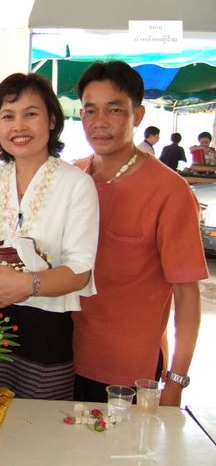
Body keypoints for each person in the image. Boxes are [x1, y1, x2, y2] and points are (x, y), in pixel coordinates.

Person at [0, 73, 99, 400]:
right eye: (7, 116)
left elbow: (80, 270)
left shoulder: (77, 184)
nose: (18, 126)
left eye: (30, 114)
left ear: (52, 120)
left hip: (47, 332)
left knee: (39, 424)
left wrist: (27, 284)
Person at [73, 60, 207, 407]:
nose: (99, 122)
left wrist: (176, 381)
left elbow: (187, 294)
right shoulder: (71, 178)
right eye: (90, 110)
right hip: (61, 360)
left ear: (138, 115)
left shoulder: (170, 191)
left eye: (114, 110)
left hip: (128, 374)